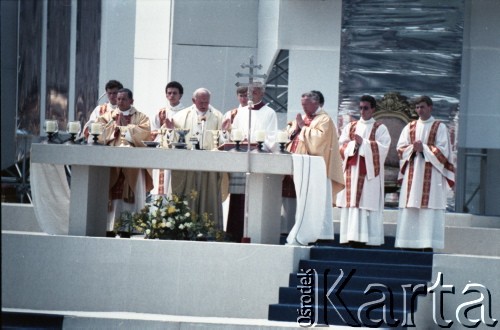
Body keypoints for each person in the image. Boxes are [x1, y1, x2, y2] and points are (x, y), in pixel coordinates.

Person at [395, 95, 455, 251]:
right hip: (413, 172)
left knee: (429, 207)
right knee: (411, 205)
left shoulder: (439, 127)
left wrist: (425, 149)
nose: (419, 110)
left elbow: (444, 152)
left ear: (430, 107)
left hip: (432, 175)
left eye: (422, 107)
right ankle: (408, 242)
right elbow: (400, 149)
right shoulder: (410, 127)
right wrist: (412, 149)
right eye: (417, 107)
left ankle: (427, 243)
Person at [282, 91, 345, 238]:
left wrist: (303, 127)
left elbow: (318, 142)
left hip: (316, 168)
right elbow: (288, 135)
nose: (303, 107)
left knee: (315, 200)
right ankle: (294, 229)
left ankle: (319, 234)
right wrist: (296, 128)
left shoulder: (324, 120)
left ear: (316, 103)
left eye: (306, 104)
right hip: (298, 165)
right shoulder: (303, 118)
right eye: (302, 104)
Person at [224, 82, 278, 242]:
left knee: (254, 197)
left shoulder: (269, 113)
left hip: (258, 159)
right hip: (241, 159)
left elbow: (272, 137)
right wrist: (230, 133)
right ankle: (234, 234)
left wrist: (256, 141)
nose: (250, 96)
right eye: (249, 93)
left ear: (261, 93)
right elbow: (235, 134)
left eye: (254, 93)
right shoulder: (241, 112)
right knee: (238, 198)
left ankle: (254, 233)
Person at [96, 88, 153, 235]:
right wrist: (115, 127)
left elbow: (145, 134)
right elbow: (99, 132)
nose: (120, 102)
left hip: (132, 165)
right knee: (113, 196)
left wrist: (126, 129)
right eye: (118, 99)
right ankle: (110, 227)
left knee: (130, 197)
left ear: (131, 101)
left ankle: (128, 228)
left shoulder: (141, 117)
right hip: (113, 164)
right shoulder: (107, 116)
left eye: (123, 99)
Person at [336, 95, 391, 247]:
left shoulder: (380, 128)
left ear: (373, 109)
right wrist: (354, 145)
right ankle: (350, 236)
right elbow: (341, 146)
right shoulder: (351, 126)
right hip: (353, 171)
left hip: (369, 173)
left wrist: (364, 144)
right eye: (360, 108)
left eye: (365, 108)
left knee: (366, 202)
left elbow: (384, 148)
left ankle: (370, 239)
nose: (362, 111)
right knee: (352, 202)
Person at [166, 88, 225, 229]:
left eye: (207, 101)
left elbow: (223, 141)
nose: (204, 104)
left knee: (207, 196)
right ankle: (183, 227)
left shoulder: (217, 116)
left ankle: (208, 228)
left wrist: (224, 131)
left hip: (209, 165)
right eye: (201, 101)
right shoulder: (181, 116)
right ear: (193, 101)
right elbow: (173, 140)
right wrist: (170, 130)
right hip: (188, 165)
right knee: (187, 196)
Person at [149, 81, 186, 198]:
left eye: (175, 93)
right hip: (163, 150)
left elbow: (187, 132)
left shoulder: (186, 112)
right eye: (169, 93)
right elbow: (153, 132)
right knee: (161, 183)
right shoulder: (161, 113)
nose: (171, 96)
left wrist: (173, 130)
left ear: (180, 95)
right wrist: (165, 132)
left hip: (179, 151)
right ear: (166, 95)